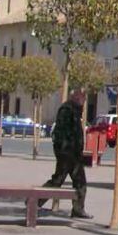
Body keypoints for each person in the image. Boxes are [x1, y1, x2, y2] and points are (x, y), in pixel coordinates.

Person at [41, 89, 91, 219]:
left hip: (71, 153)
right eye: (83, 98)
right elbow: (63, 133)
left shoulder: (74, 110)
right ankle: (35, 200)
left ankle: (77, 209)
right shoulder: (67, 110)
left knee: (61, 179)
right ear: (76, 97)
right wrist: (67, 150)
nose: (85, 100)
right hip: (68, 154)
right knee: (76, 181)